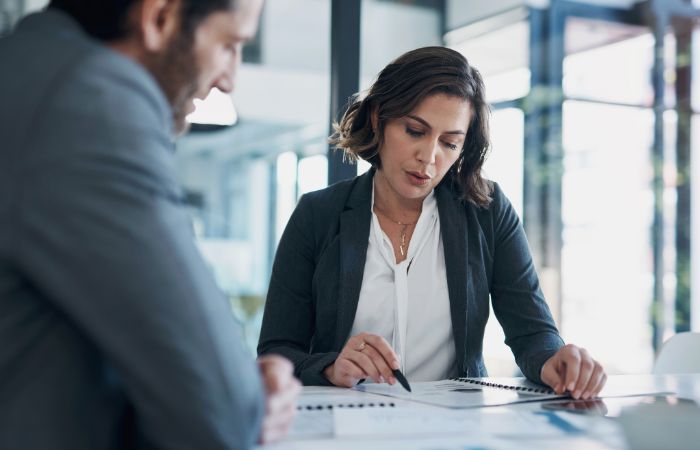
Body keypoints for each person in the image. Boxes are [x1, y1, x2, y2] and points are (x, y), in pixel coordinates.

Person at [0, 1, 299, 449]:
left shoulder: (29, 67)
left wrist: (228, 382)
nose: (228, 79)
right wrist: (242, 393)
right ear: (160, 18)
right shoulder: (87, 97)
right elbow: (220, 417)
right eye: (228, 45)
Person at [258, 46, 606, 400]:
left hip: (452, 426)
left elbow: (533, 332)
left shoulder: (488, 210)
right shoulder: (317, 214)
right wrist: (332, 367)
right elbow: (277, 350)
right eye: (414, 131)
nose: (428, 157)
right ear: (379, 118)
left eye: (450, 143)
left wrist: (556, 359)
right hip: (345, 423)